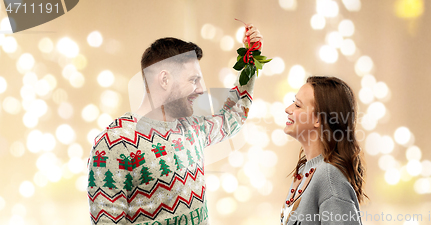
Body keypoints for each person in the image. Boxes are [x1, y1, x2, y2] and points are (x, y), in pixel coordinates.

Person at [87, 24, 263, 225]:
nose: (201, 89)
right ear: (164, 79)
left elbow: (234, 114)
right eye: (194, 80)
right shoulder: (114, 143)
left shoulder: (192, 128)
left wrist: (251, 58)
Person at [280, 76, 367, 225]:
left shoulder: (329, 177)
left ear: (318, 119)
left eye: (298, 105)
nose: (288, 109)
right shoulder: (305, 172)